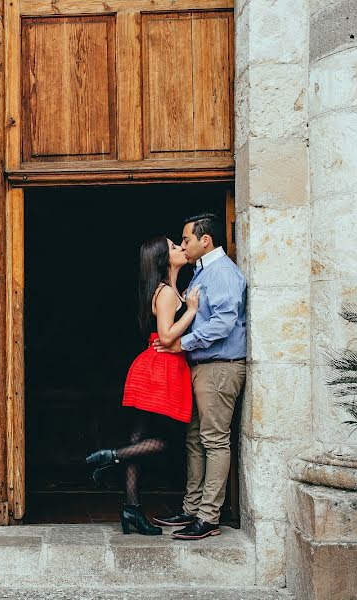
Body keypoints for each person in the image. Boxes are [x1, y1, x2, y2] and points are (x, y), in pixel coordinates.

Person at [85, 235, 200, 535]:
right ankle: (112, 455)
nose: (180, 248)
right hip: (160, 369)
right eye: (174, 247)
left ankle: (131, 510)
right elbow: (165, 336)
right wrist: (190, 310)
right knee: (169, 441)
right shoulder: (165, 294)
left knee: (139, 438)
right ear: (164, 259)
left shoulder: (169, 289)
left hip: (154, 367)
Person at [152, 213, 247, 540]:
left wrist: (183, 344)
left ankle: (209, 517)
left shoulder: (222, 273)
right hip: (200, 366)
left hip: (219, 366)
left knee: (214, 440)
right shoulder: (200, 272)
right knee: (195, 439)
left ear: (205, 240)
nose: (183, 244)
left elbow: (223, 323)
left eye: (187, 239)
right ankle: (191, 508)